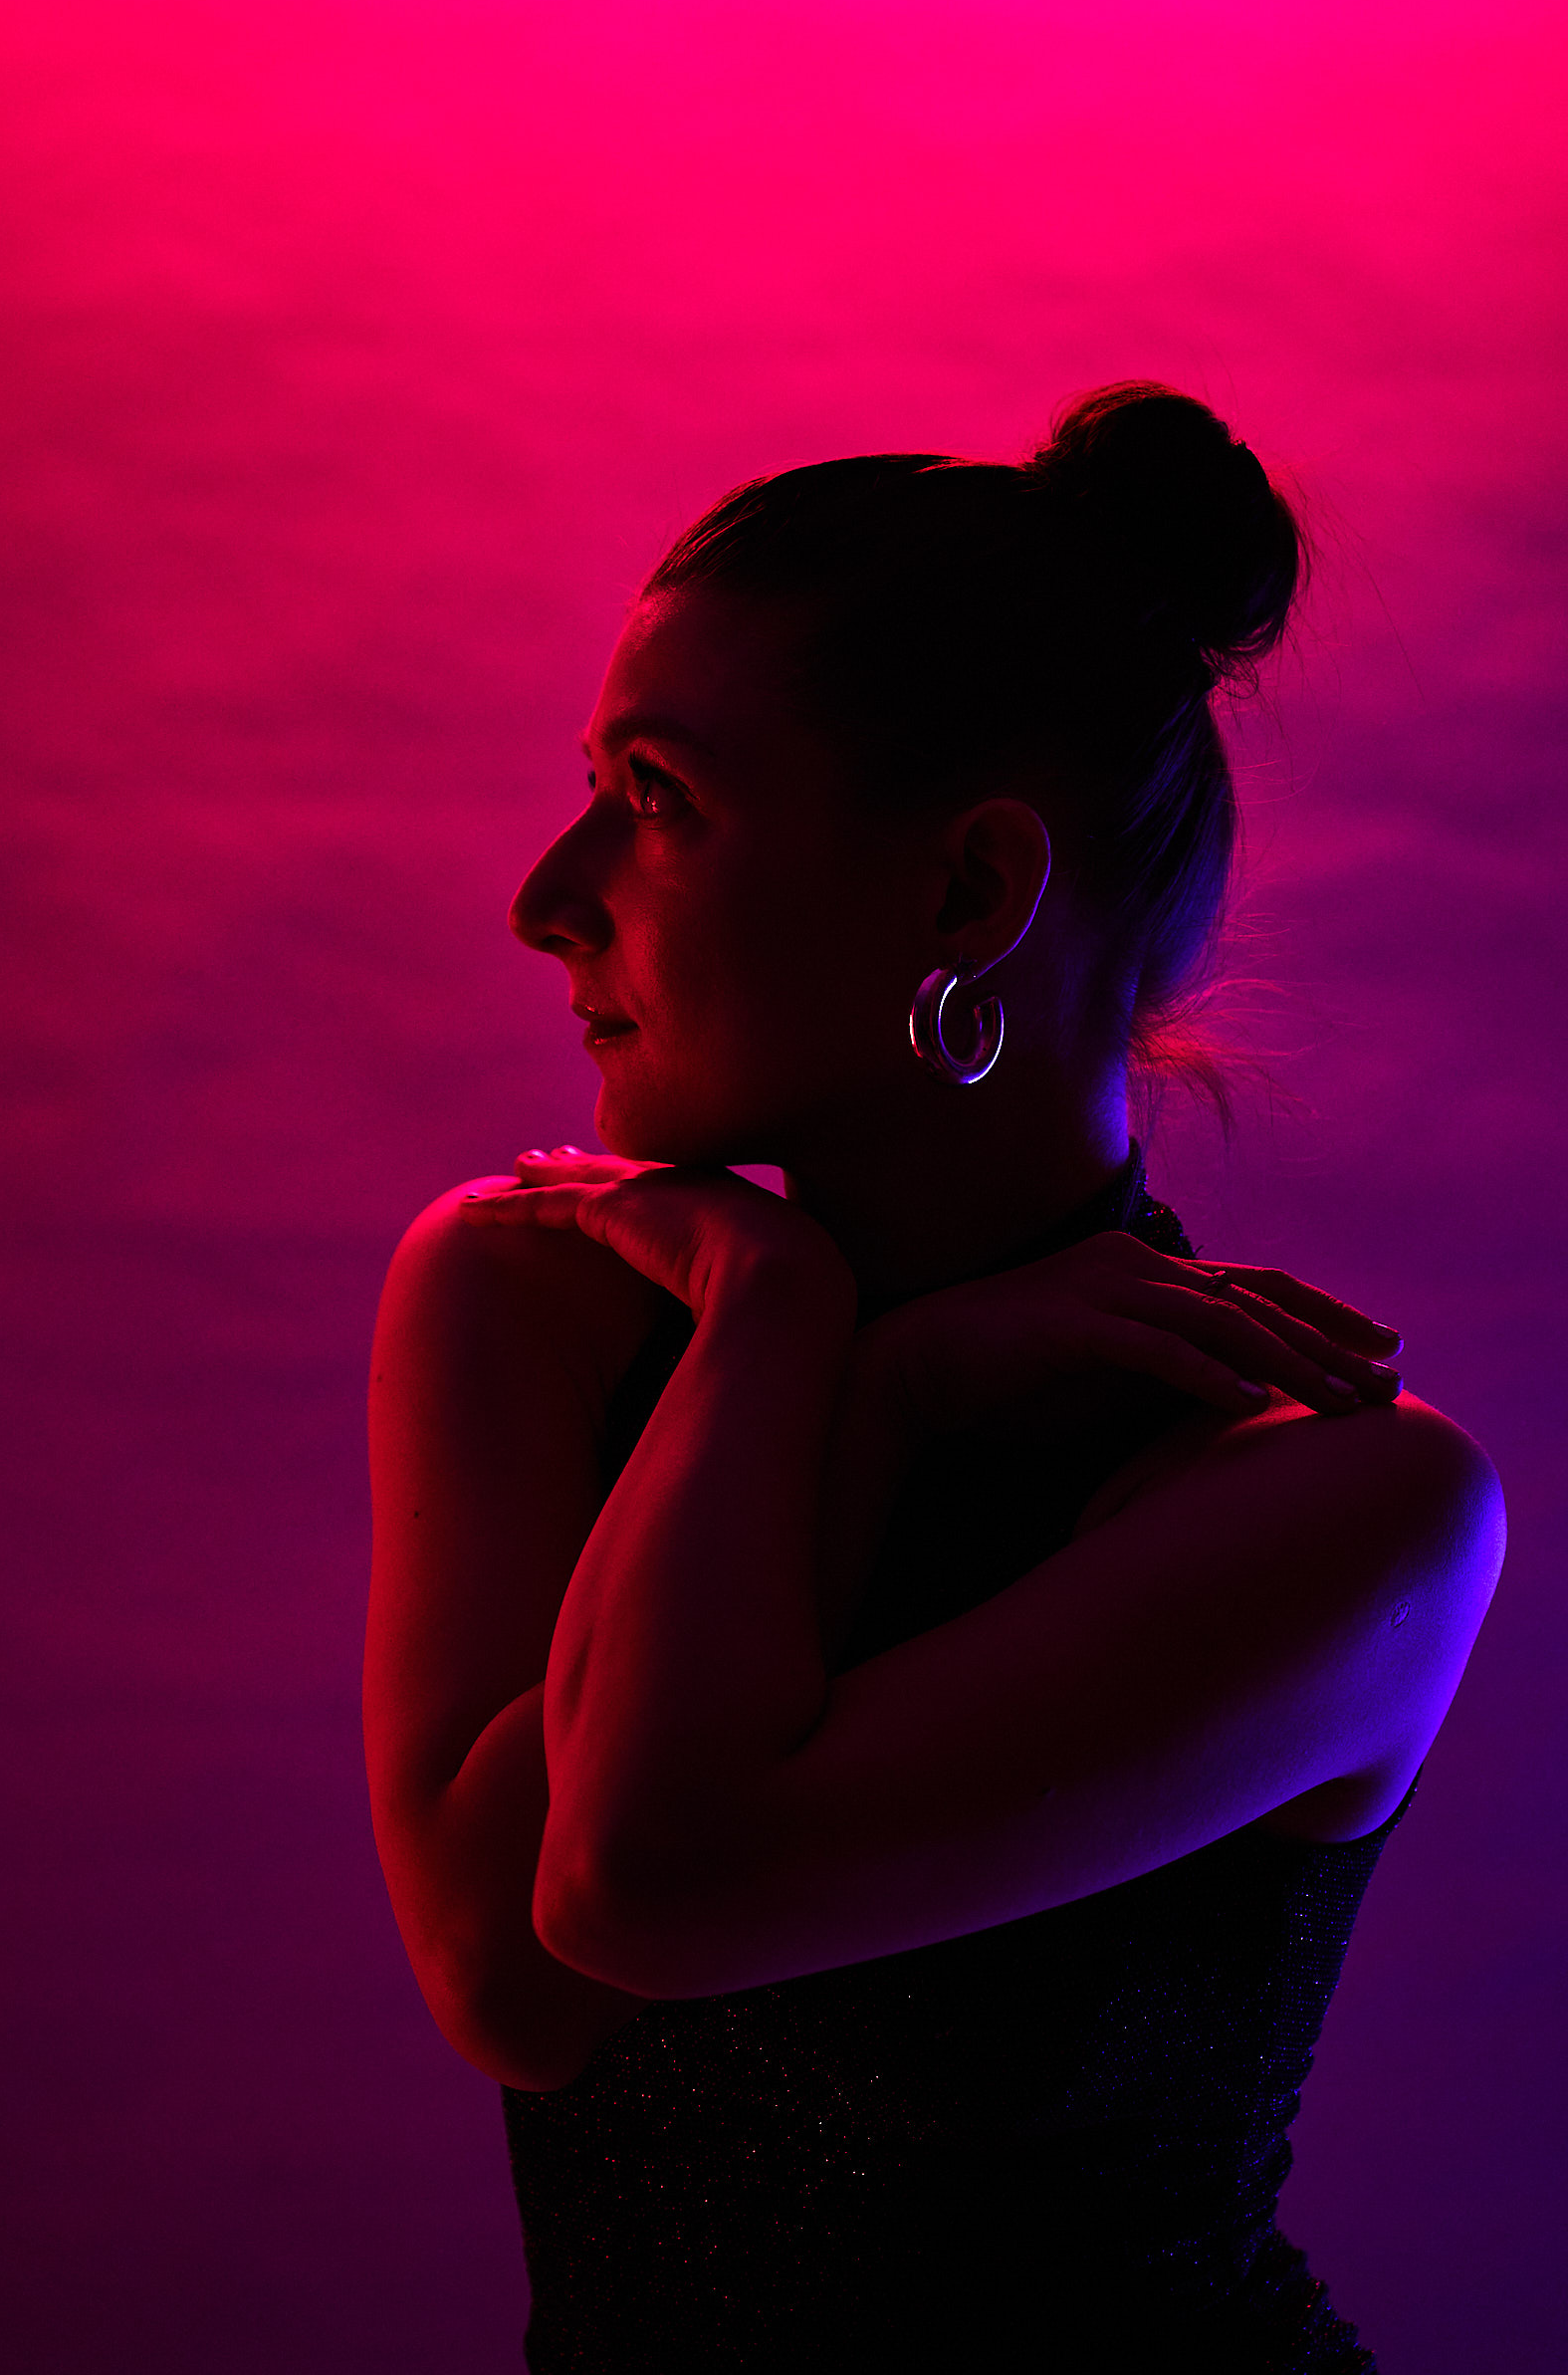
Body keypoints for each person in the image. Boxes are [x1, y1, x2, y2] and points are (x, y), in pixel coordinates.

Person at [362, 383, 1504, 2372]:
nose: (546, 897)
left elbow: (638, 1885)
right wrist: (844, 1368)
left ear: (968, 896)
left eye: (657, 797)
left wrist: (790, 1342)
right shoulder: (530, 1294)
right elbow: (506, 1986)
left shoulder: (1342, 1505)